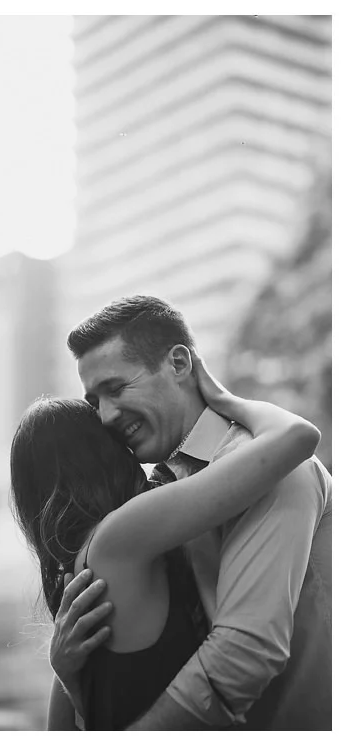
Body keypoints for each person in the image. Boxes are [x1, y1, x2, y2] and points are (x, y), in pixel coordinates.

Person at [48, 296, 332, 730]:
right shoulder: (153, 495)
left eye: (116, 388)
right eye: (93, 401)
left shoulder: (276, 467)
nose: (104, 417)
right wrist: (70, 674)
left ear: (179, 363)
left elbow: (244, 656)